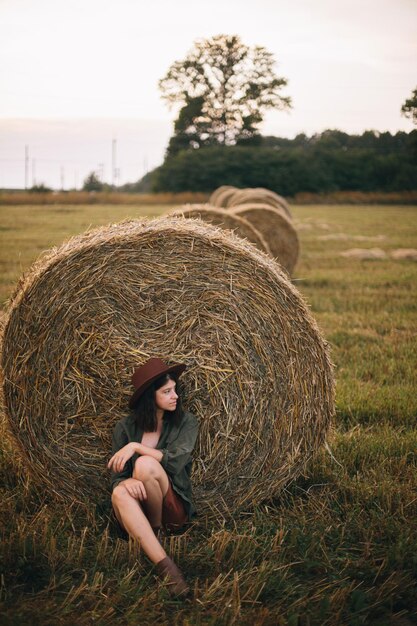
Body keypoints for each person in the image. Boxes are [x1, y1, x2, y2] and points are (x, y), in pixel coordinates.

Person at [108, 358, 199, 597]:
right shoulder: (125, 428)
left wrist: (136, 447)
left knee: (145, 464)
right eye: (167, 391)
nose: (175, 396)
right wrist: (124, 482)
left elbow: (177, 460)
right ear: (151, 396)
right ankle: (169, 570)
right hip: (136, 509)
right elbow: (116, 477)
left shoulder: (186, 423)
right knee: (118, 492)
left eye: (175, 390)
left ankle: (156, 530)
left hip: (171, 509)